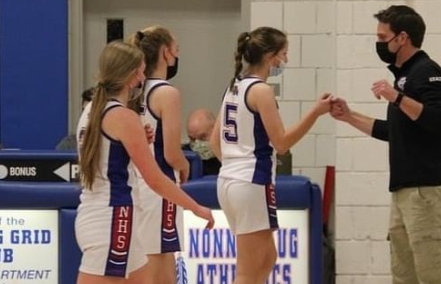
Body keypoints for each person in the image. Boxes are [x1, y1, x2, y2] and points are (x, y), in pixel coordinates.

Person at [75, 41, 214, 284]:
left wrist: (135, 140)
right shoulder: (123, 117)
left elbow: (108, 154)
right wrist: (196, 207)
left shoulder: (90, 111)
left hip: (95, 214)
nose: (143, 76)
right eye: (140, 70)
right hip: (113, 219)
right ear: (131, 76)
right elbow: (156, 179)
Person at [210, 26, 331, 284]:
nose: (285, 61)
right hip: (251, 183)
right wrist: (316, 112)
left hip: (230, 181)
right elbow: (282, 143)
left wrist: (236, 167)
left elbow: (214, 142)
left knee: (267, 259)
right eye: (283, 54)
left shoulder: (234, 86)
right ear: (269, 56)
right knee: (247, 271)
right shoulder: (261, 91)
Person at [331, 5, 441, 284]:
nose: (379, 44)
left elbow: (436, 120)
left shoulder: (427, 71)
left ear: (402, 38)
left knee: (432, 273)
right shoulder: (403, 76)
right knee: (403, 276)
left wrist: (397, 98)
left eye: (382, 38)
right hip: (403, 192)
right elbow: (393, 131)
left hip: (426, 192)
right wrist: (349, 116)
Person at [129, 26, 190, 284]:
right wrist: (185, 165)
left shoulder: (132, 91)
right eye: (176, 50)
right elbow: (172, 153)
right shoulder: (167, 93)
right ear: (165, 53)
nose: (177, 56)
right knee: (162, 268)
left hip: (135, 185)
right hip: (160, 188)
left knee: (142, 265)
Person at [183, 108, 221, 175]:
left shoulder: (230, 154)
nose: (197, 143)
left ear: (215, 130)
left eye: (202, 137)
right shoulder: (185, 157)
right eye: (192, 139)